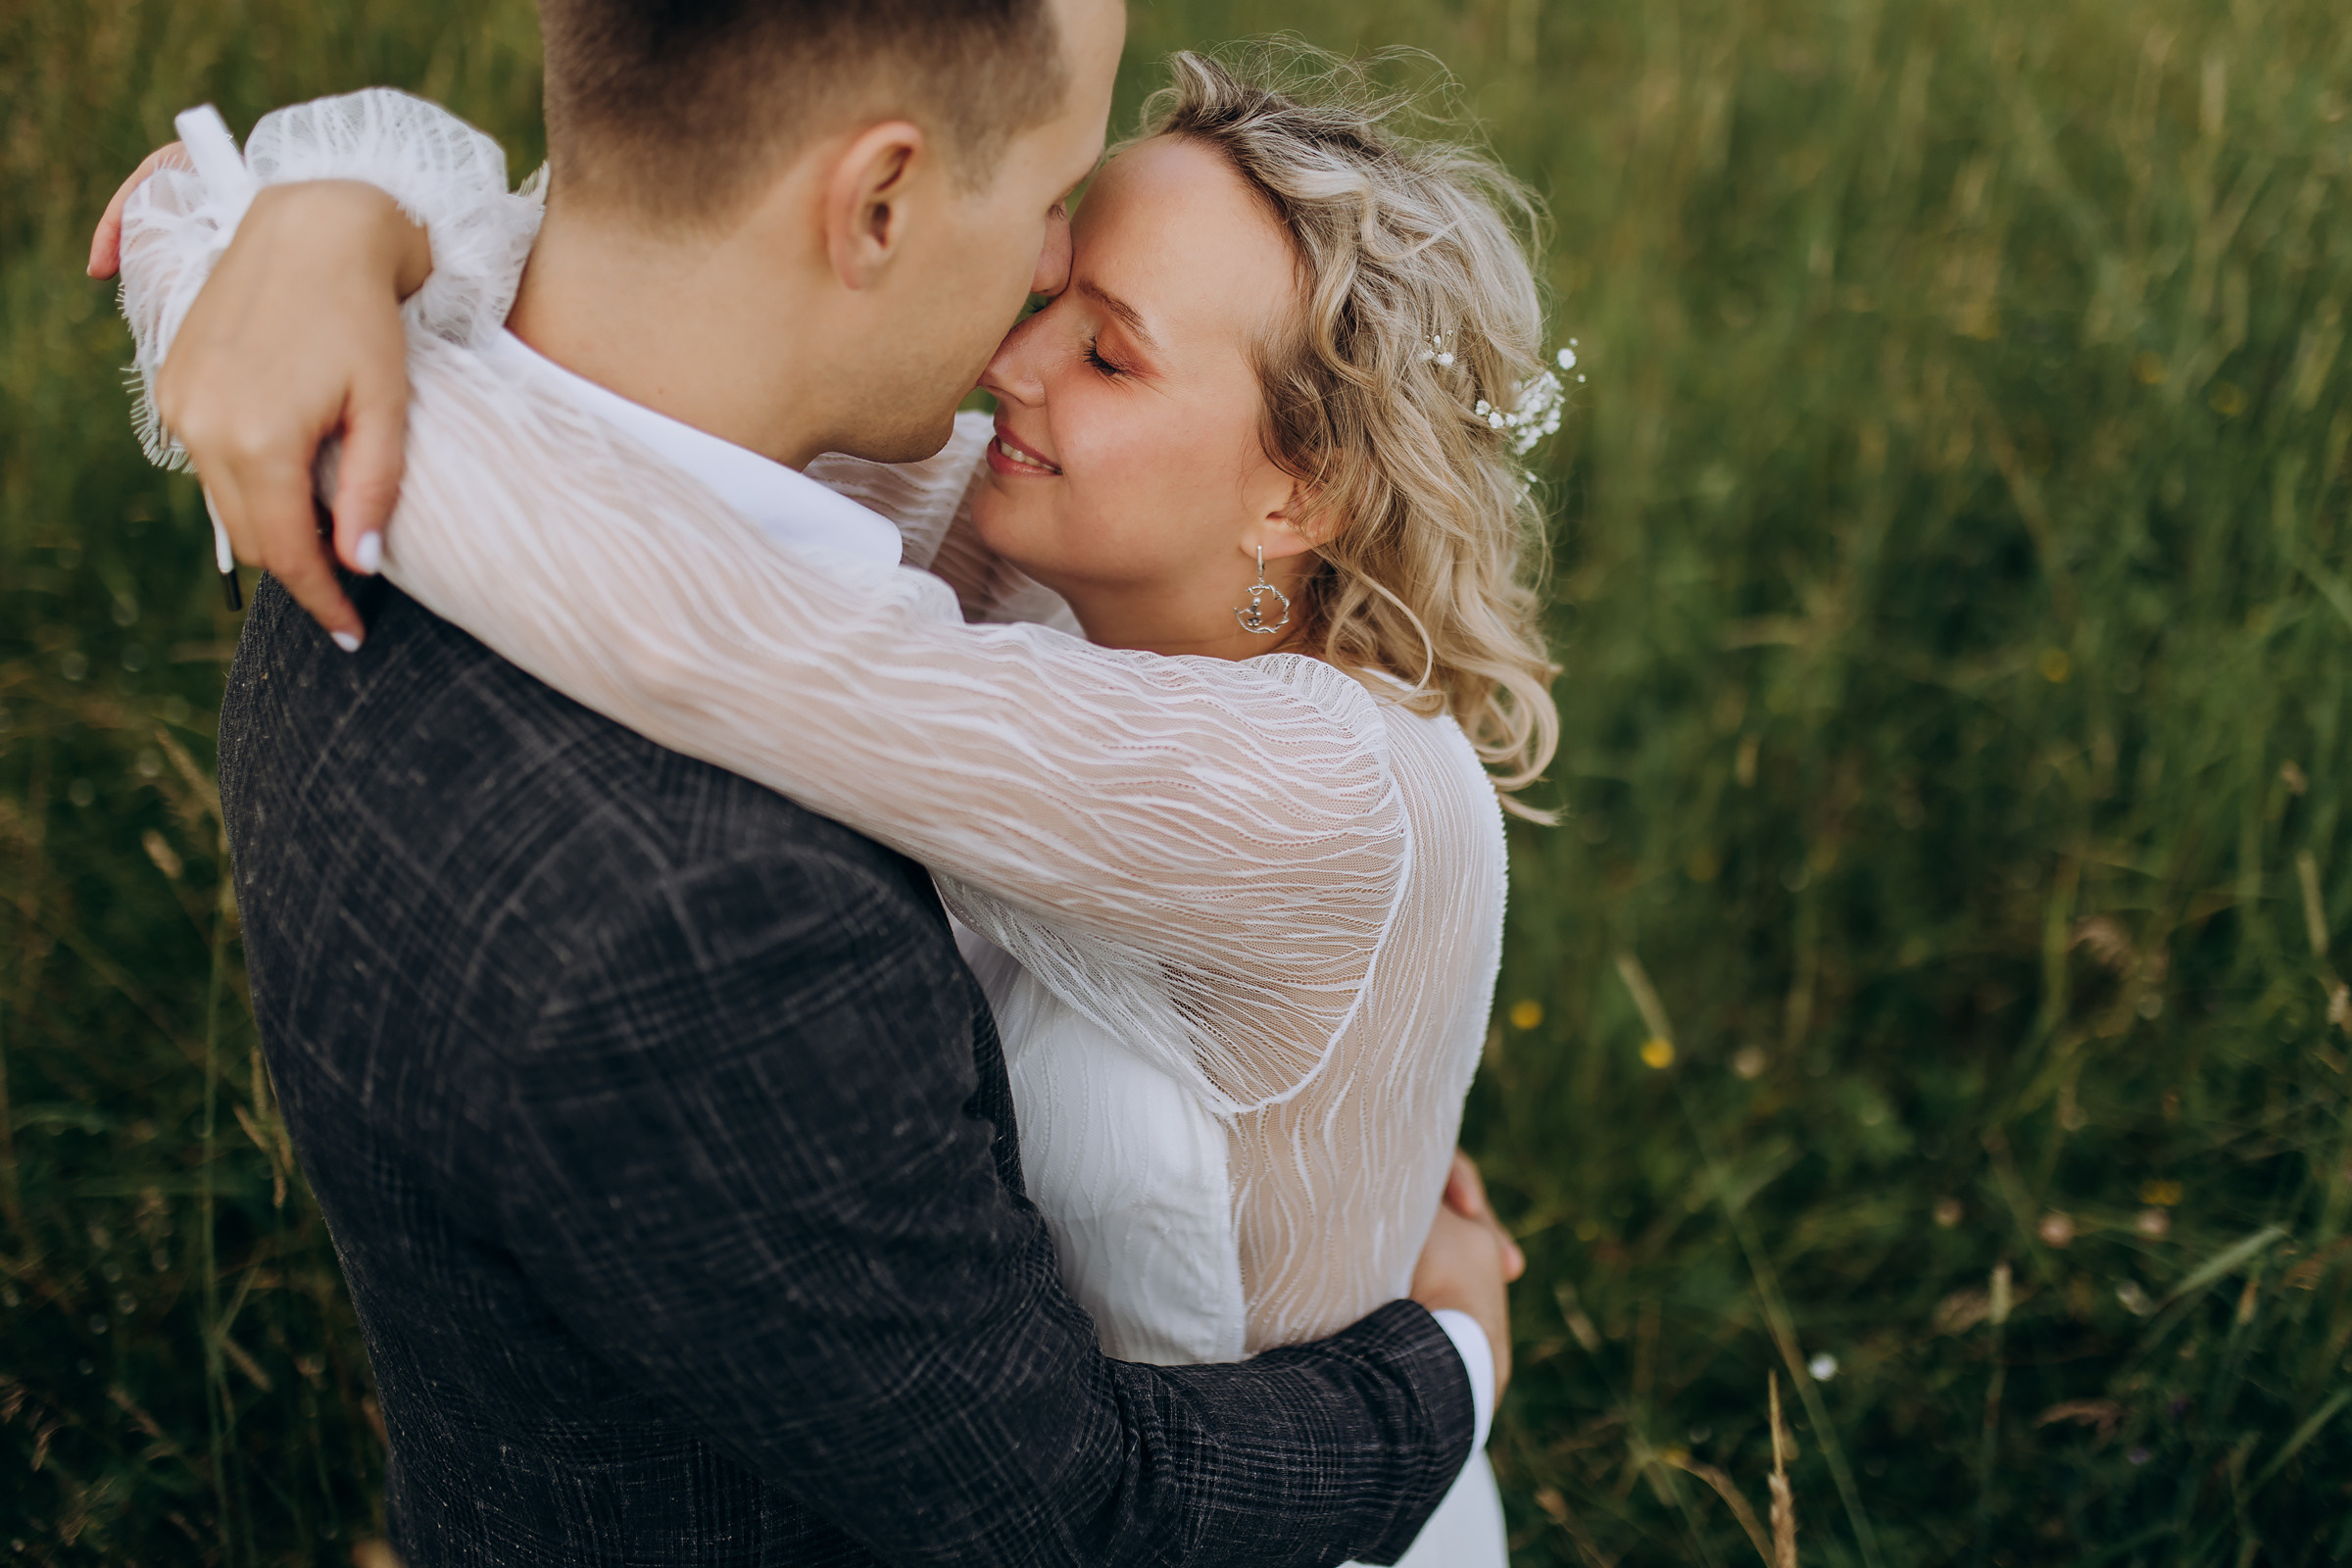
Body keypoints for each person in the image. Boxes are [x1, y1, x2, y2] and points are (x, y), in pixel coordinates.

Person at [95, 11, 1549, 1566]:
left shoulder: (1316, 790)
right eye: (1048, 258)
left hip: (1262, 1506)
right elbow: (647, 394)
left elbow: (732, 638)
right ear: (879, 205)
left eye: (1105, 346)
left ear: (1299, 489)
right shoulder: (1013, 527)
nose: (1012, 350)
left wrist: (256, 310)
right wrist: (327, 233)